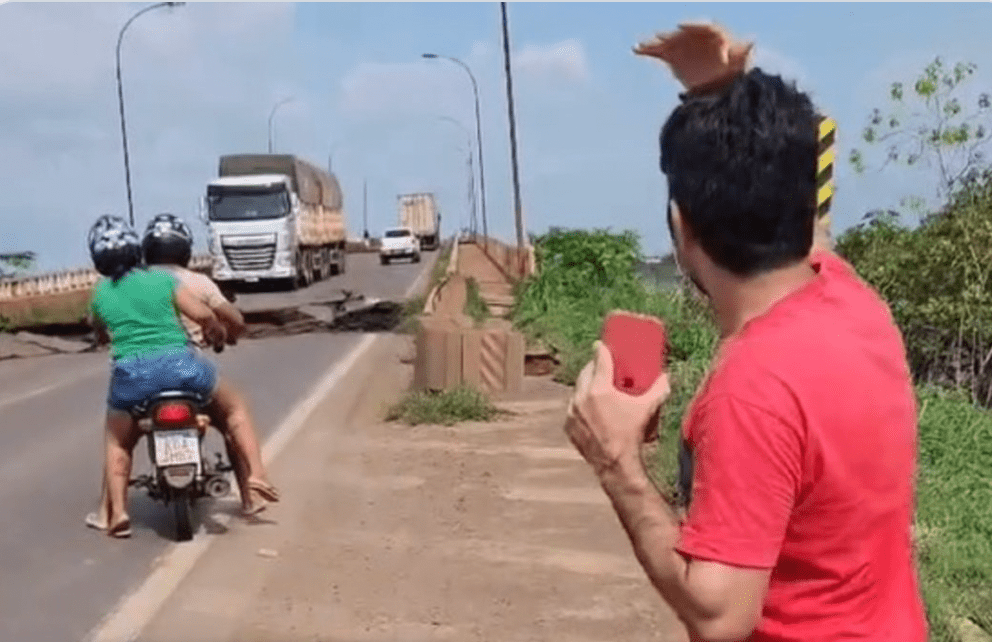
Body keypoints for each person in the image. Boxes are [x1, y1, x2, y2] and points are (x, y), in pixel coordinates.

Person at [564, 23, 927, 642]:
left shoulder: (752, 391)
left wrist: (617, 461)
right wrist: (720, 93)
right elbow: (799, 207)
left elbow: (720, 614)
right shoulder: (852, 302)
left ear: (681, 228)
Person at [87, 214, 280, 530]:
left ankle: (117, 512)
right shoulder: (165, 282)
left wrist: (107, 336)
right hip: (182, 369)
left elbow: (98, 332)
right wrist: (216, 332)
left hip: (132, 379)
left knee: (117, 441)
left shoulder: (101, 294)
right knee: (234, 408)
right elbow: (206, 315)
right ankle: (257, 475)